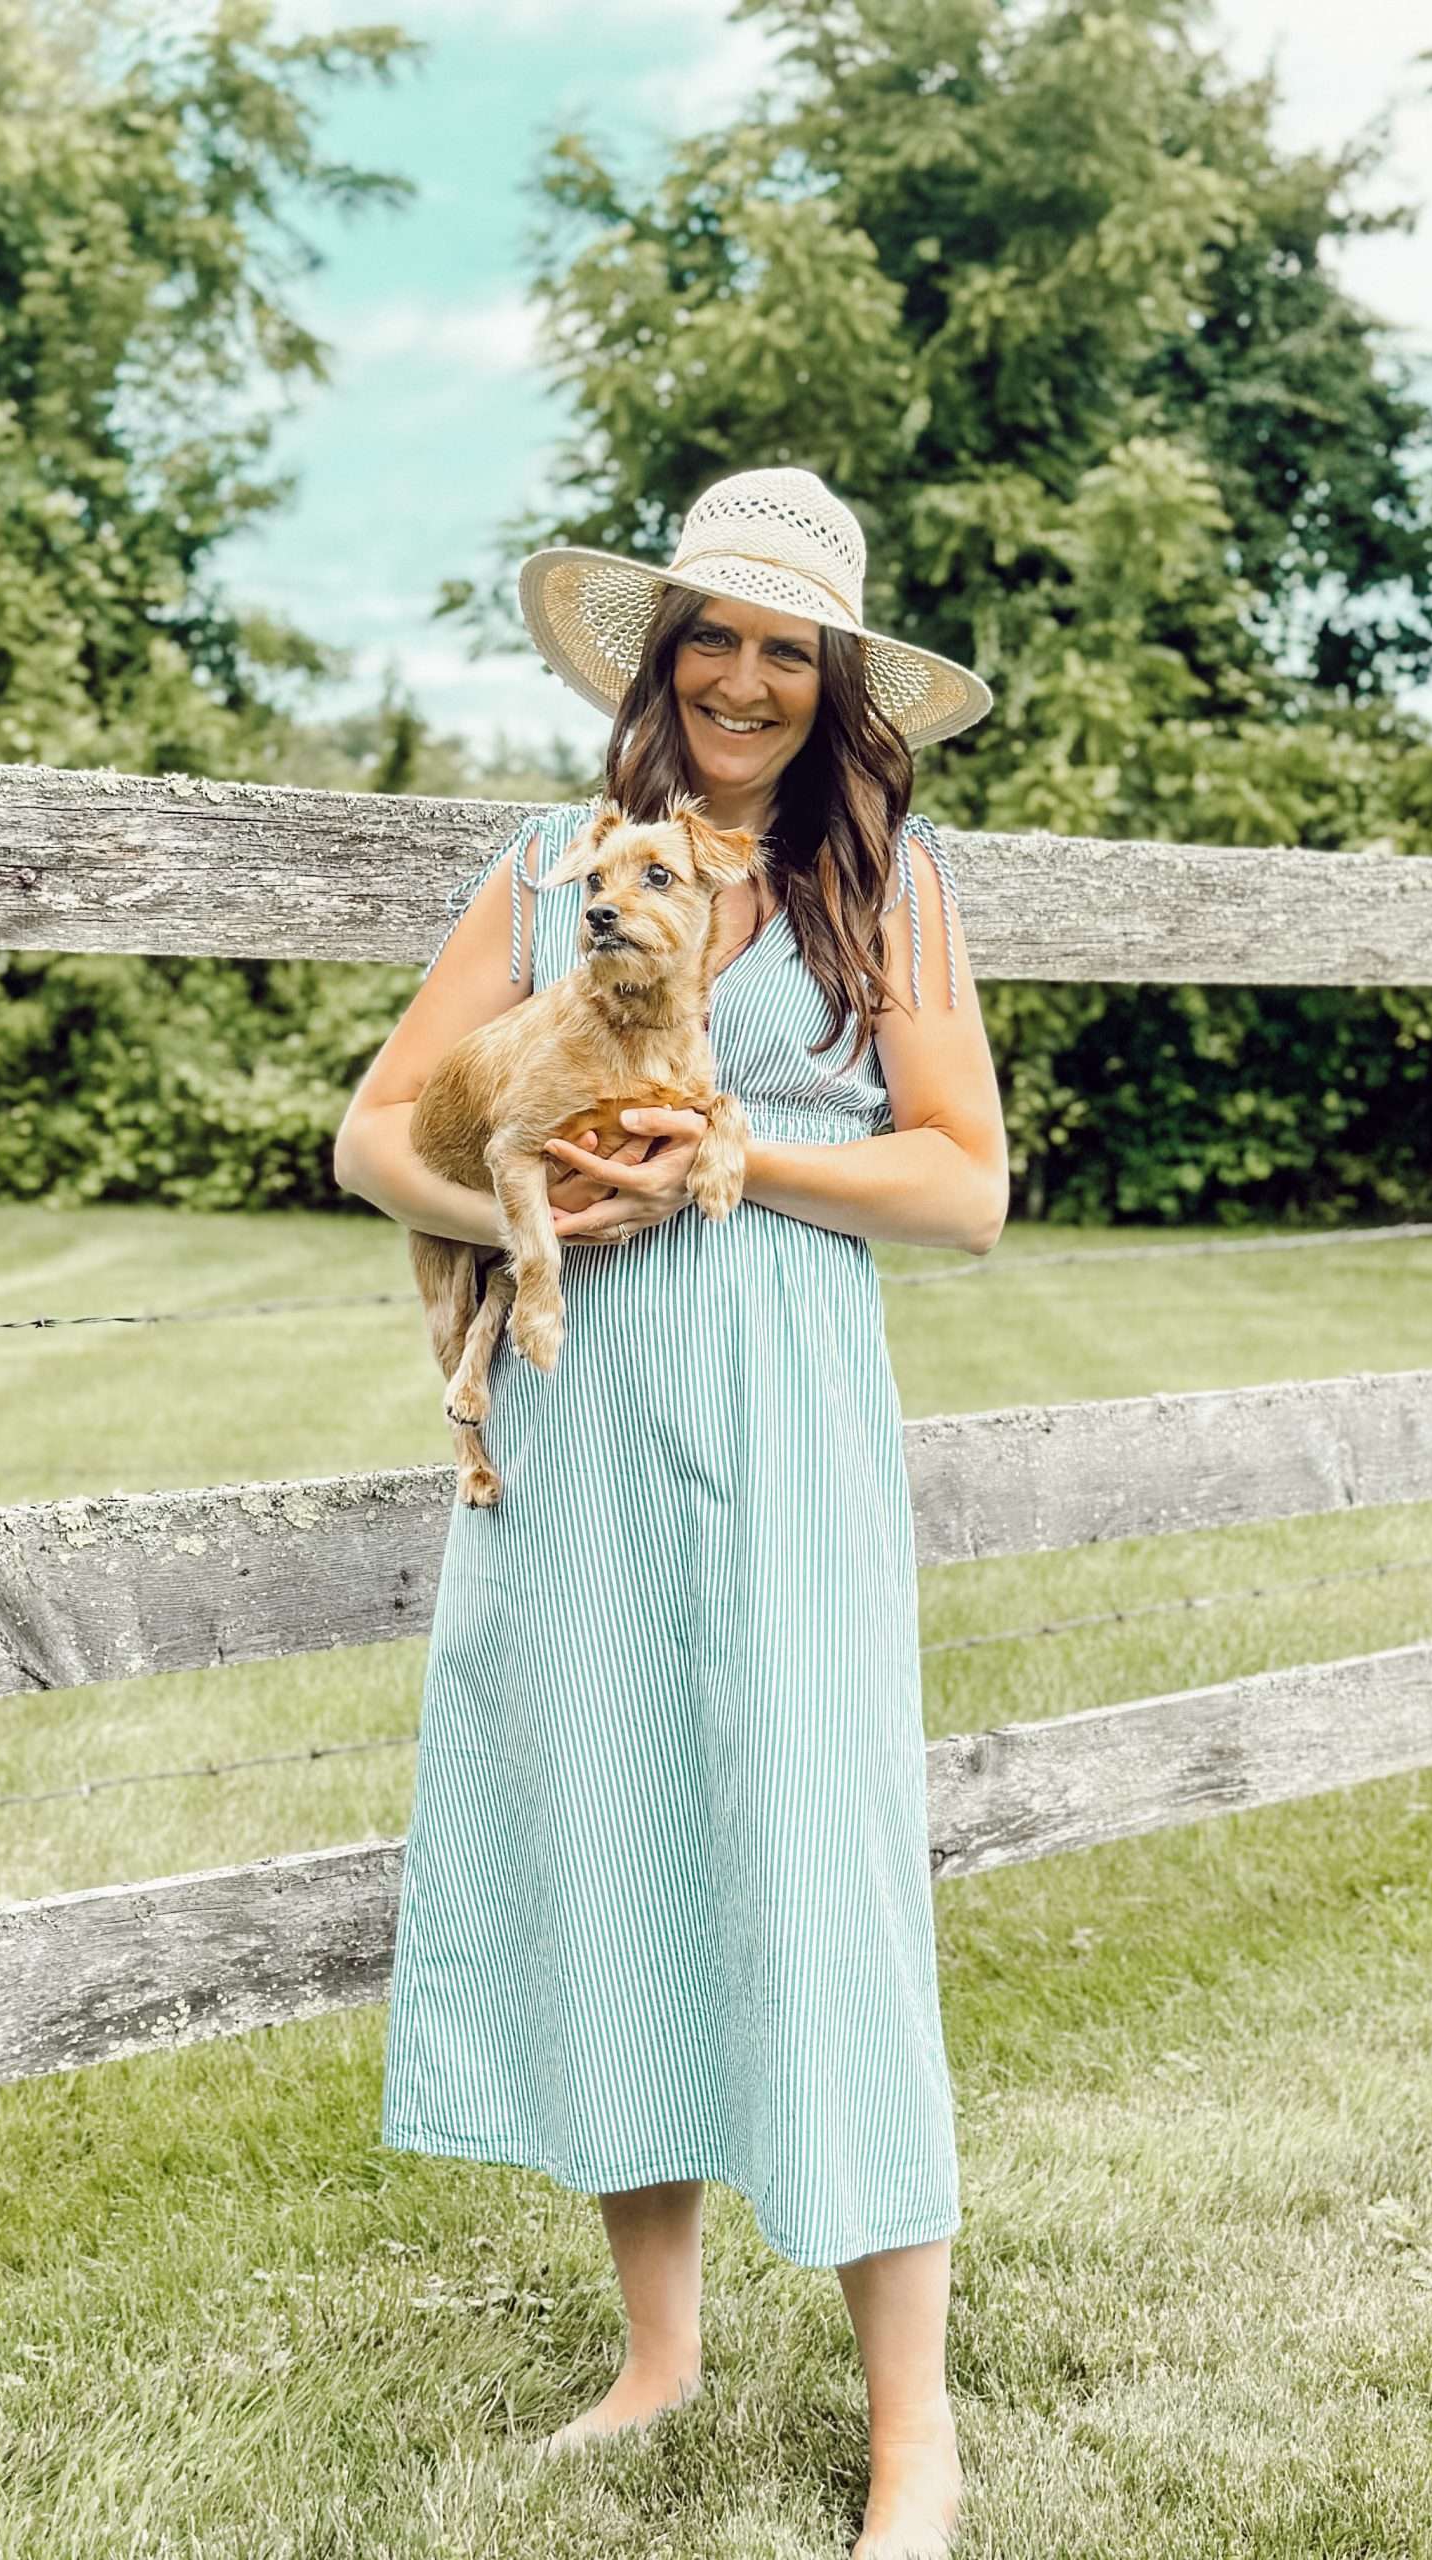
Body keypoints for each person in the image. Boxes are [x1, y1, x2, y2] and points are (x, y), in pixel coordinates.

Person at [333, 465, 1008, 2559]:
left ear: (835, 687)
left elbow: (965, 1184)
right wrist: (527, 1203)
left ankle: (915, 2429)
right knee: (614, 1820)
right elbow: (372, 1129)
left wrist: (740, 1163)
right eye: (708, 635)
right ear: (659, 658)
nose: (737, 675)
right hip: (582, 1397)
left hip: (786, 1396)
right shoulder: (548, 865)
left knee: (813, 1843)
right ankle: (658, 2352)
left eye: (781, 648)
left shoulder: (877, 878)